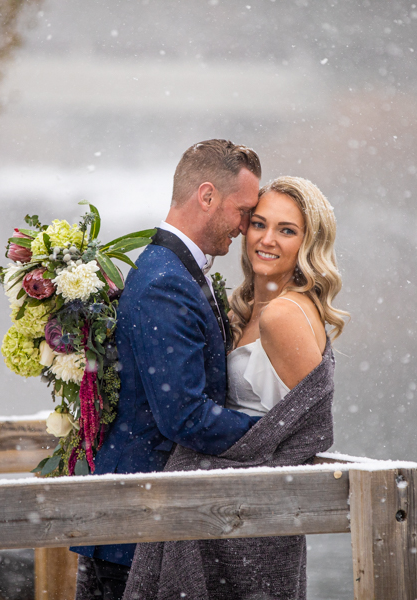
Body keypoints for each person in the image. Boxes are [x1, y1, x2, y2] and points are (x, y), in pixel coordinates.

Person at [122, 176, 348, 600]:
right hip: (223, 509)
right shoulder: (247, 307)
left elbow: (301, 429)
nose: (266, 239)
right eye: (259, 224)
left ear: (309, 242)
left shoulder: (284, 315)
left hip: (254, 520)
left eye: (287, 230)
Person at [71, 139, 264, 600]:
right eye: (242, 210)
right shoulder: (165, 282)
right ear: (207, 196)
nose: (245, 226)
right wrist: (271, 435)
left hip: (141, 521)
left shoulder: (172, 268)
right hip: (131, 529)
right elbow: (184, 415)